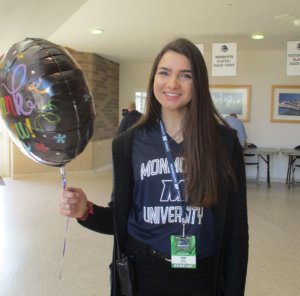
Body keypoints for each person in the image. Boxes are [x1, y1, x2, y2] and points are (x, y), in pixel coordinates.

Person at [60, 38, 248, 296]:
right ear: (153, 80)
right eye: (164, 73)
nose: (172, 83)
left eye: (185, 75)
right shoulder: (128, 144)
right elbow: (121, 217)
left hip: (202, 274)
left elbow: (237, 231)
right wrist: (85, 211)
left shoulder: (224, 144)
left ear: (198, 84)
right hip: (144, 272)